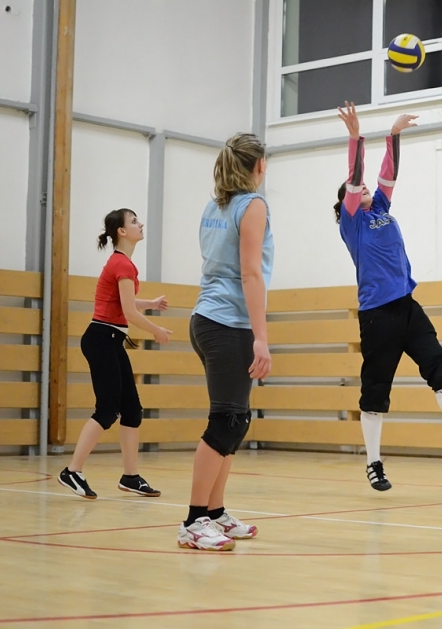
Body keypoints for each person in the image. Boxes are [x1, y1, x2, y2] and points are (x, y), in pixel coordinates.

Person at [334, 101, 442, 492]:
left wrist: (393, 135)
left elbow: (388, 175)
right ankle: (374, 463)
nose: (365, 188)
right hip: (377, 315)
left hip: (407, 306)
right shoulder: (352, 223)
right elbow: (355, 177)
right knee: (376, 392)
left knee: (440, 369)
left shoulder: (382, 208)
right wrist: (355, 137)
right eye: (357, 189)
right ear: (346, 203)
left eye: (367, 188)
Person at [177, 132, 273, 552]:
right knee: (226, 422)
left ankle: (215, 512)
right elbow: (250, 274)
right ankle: (194, 521)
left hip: (207, 320)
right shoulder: (253, 205)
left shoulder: (213, 206)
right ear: (259, 166)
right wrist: (261, 337)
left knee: (237, 420)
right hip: (228, 323)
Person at [58, 209, 171, 500]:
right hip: (101, 339)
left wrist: (151, 304)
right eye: (133, 221)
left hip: (110, 340)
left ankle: (130, 477)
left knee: (131, 410)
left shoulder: (122, 263)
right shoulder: (122, 264)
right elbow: (129, 312)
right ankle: (72, 471)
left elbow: (124, 302)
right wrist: (156, 330)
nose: (140, 224)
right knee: (107, 410)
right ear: (121, 231)